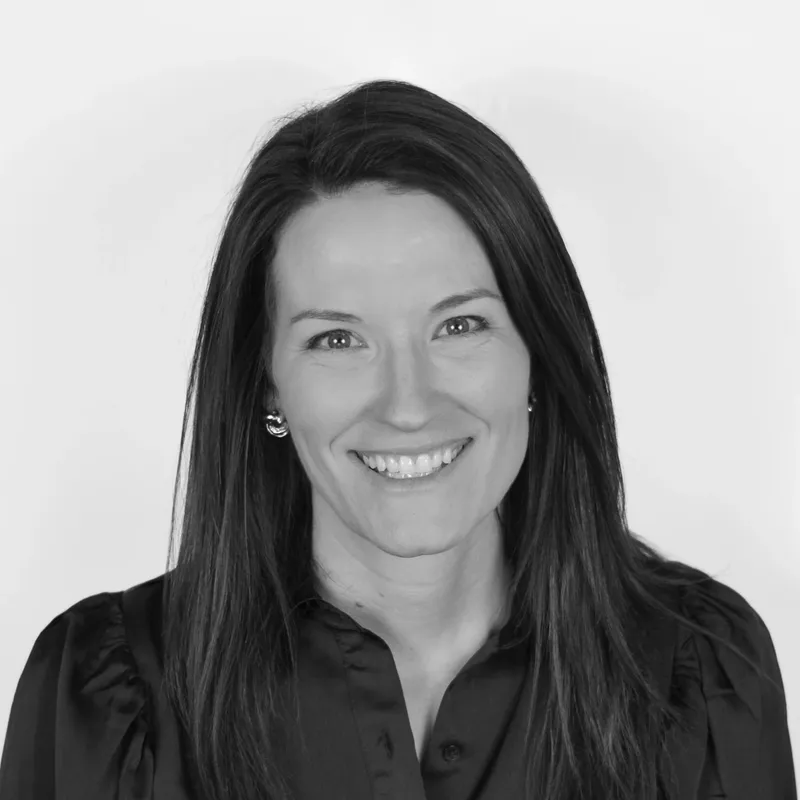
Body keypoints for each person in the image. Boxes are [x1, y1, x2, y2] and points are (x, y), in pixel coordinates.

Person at [0, 78, 795, 800]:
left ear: (539, 358)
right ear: (266, 385)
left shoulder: (701, 676)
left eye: (459, 325)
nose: (408, 404)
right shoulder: (106, 700)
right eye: (337, 341)